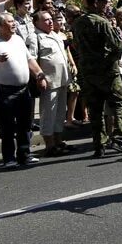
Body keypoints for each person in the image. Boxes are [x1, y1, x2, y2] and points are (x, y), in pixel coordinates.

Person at [0, 12, 46, 169]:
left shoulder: (18, 40)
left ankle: (24, 154)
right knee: (8, 127)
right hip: (5, 91)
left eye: (13, 21)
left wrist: (39, 75)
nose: (14, 24)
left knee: (25, 125)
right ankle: (9, 158)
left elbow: (29, 59)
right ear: (1, 26)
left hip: (24, 89)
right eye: (10, 22)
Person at [71, 0, 122, 158]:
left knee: (95, 108)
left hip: (88, 71)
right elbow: (118, 46)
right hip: (106, 71)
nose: (106, 6)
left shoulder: (78, 23)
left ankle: (99, 144)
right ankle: (119, 139)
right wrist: (111, 60)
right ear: (95, 3)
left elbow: (75, 45)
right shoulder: (102, 22)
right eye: (104, 3)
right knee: (119, 103)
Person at [34, 9, 74, 157]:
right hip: (49, 81)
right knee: (48, 114)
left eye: (51, 19)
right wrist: (39, 77)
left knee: (59, 113)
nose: (50, 21)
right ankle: (49, 145)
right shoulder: (35, 37)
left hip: (62, 79)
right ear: (37, 22)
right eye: (46, 20)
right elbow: (32, 59)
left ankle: (58, 141)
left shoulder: (56, 35)